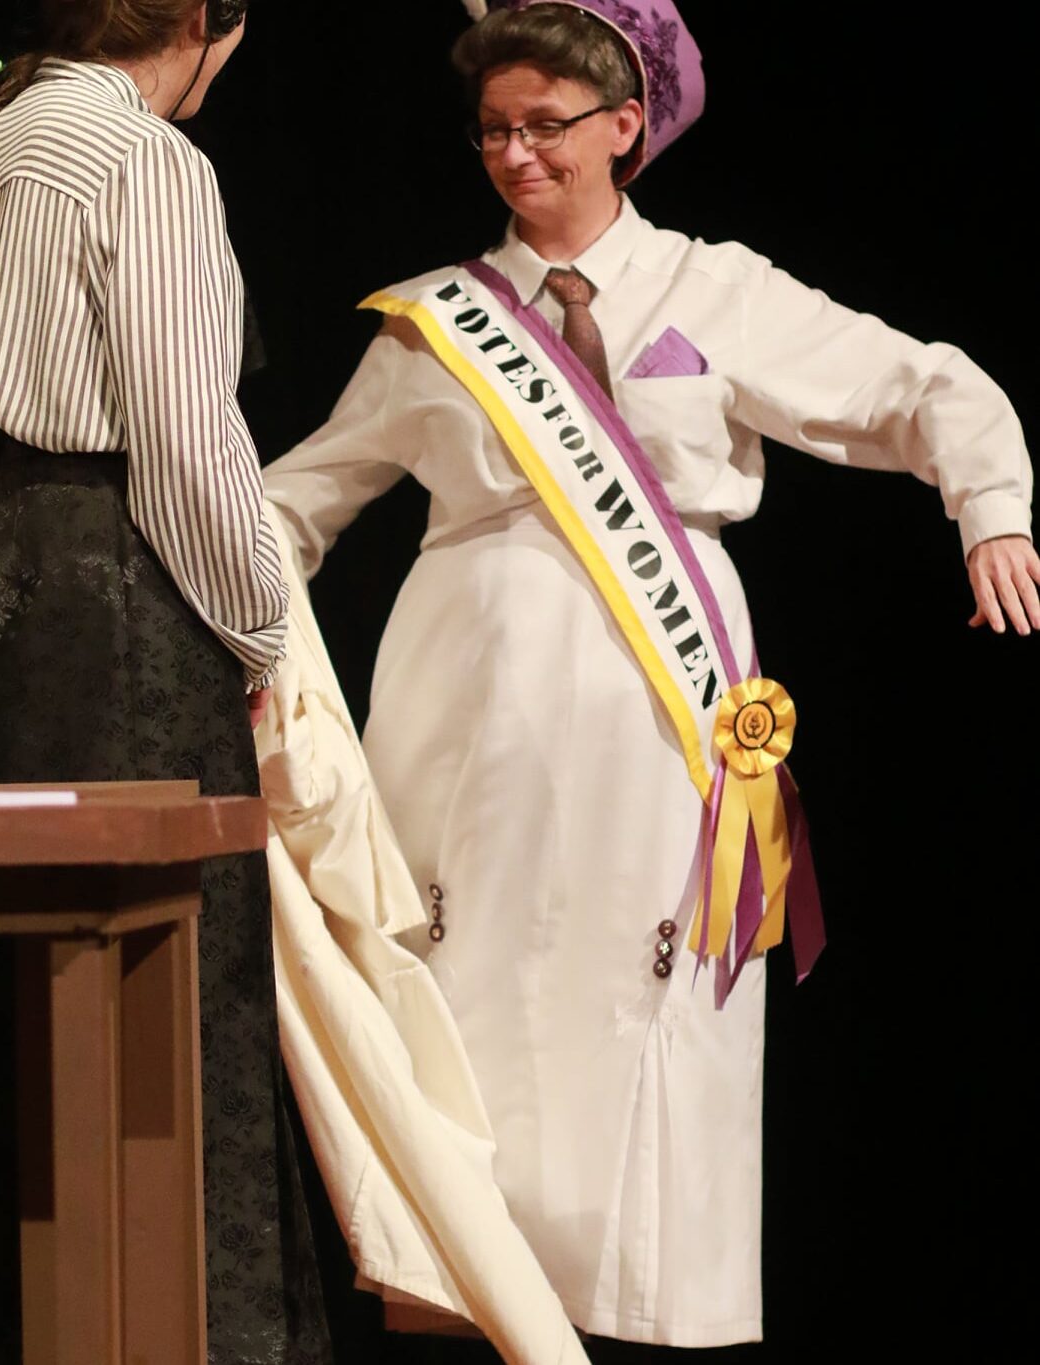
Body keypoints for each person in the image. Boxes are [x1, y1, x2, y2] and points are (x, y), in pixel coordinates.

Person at [262, 0, 1036, 1354]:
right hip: (474, 705)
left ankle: (631, 1315)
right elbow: (295, 500)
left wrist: (992, 507)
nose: (516, 155)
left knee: (647, 995)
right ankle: (471, 1302)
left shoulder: (711, 288)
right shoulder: (434, 322)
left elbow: (916, 385)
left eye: (545, 126)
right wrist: (229, 615)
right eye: (492, 131)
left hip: (665, 710)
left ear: (625, 126)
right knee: (475, 994)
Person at [0, 3, 329, 1361]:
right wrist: (258, 627)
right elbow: (186, 435)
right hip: (119, 588)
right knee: (157, 991)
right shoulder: (149, 158)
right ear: (201, 21)